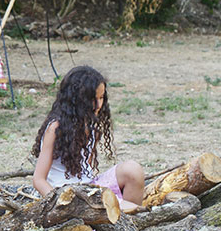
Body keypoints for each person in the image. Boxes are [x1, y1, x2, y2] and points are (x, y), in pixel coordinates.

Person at [30, 65, 144, 211]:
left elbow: (87, 175)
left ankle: (129, 225)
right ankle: (132, 217)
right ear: (76, 99)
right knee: (129, 208)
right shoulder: (55, 128)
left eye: (101, 98)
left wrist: (95, 194)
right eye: (92, 99)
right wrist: (60, 204)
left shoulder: (90, 125)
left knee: (133, 170)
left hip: (88, 190)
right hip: (65, 196)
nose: (98, 104)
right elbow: (38, 180)